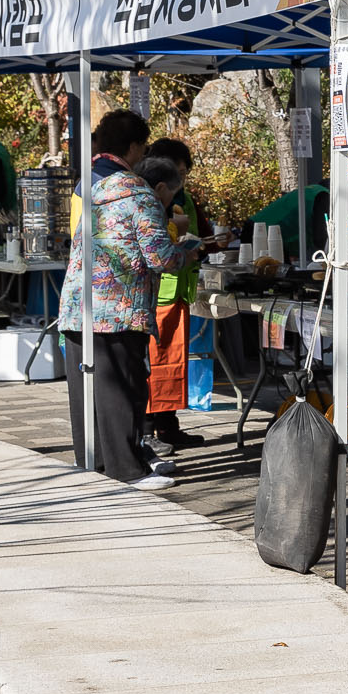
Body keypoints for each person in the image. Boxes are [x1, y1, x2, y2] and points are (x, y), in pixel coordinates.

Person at [60, 118, 198, 489]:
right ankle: (127, 470)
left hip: (78, 302)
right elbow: (160, 257)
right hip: (119, 306)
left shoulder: (90, 187)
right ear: (135, 148)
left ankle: (94, 463)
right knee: (121, 388)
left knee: (89, 390)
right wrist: (185, 252)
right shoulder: (138, 193)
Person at [141, 139, 216, 453]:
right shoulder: (150, 201)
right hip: (161, 293)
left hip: (179, 290)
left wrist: (201, 242)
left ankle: (168, 425)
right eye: (178, 173)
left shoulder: (181, 198)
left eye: (184, 174)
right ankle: (149, 431)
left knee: (172, 363)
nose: (181, 180)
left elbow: (188, 236)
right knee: (154, 365)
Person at [247, 177, 348, 261]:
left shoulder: (318, 190)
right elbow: (322, 238)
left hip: (265, 233)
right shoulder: (324, 198)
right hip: (260, 234)